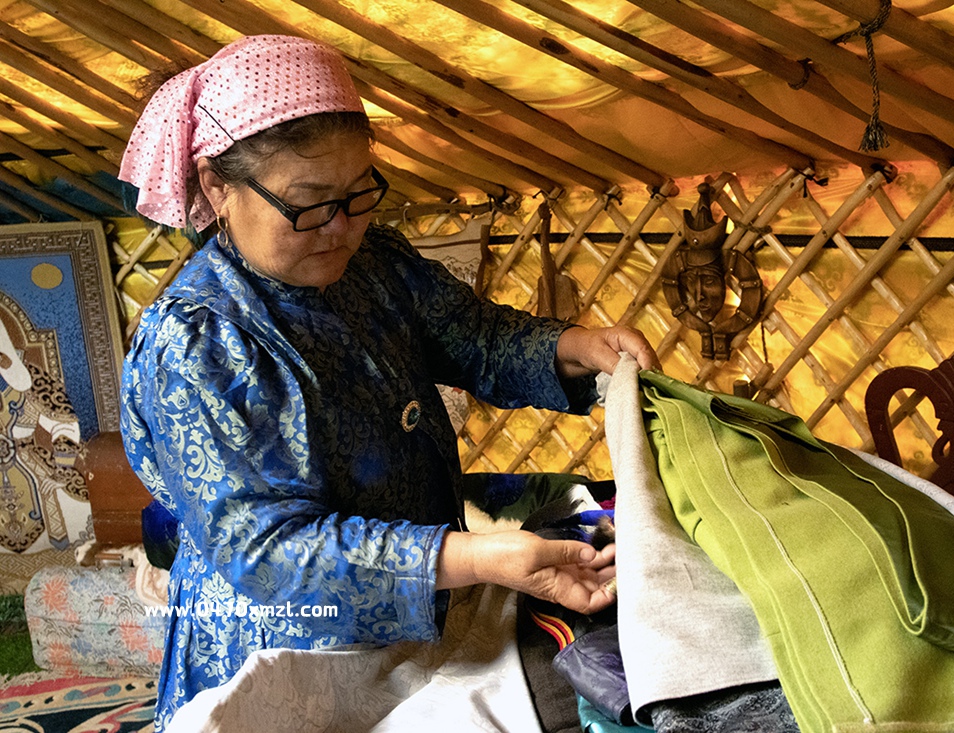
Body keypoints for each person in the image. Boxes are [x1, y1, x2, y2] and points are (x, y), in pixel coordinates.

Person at [117, 34, 659, 729]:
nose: (341, 227)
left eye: (359, 193)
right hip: (280, 649)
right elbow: (270, 551)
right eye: (309, 203)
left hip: (414, 617)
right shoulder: (199, 341)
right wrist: (473, 555)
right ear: (219, 186)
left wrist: (575, 347)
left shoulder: (376, 264)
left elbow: (478, 339)